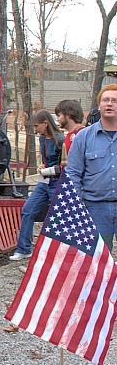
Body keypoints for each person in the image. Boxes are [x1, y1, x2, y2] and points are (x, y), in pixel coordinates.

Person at [66, 85, 117, 249]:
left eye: (114, 101)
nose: (109, 104)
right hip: (95, 208)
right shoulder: (83, 137)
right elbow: (72, 174)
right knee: (98, 257)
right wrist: (75, 204)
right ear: (99, 105)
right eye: (105, 100)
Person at [9, 109, 64, 261]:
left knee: (57, 217)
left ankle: (57, 251)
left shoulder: (60, 140)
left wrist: (47, 169)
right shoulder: (42, 139)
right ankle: (24, 249)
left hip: (56, 182)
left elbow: (65, 167)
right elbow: (46, 160)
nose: (35, 129)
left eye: (37, 126)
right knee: (27, 210)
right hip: (45, 180)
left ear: (46, 124)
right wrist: (42, 167)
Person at [54, 99, 84, 168]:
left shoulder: (82, 135)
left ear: (69, 115)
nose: (57, 119)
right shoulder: (69, 135)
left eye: (59, 116)